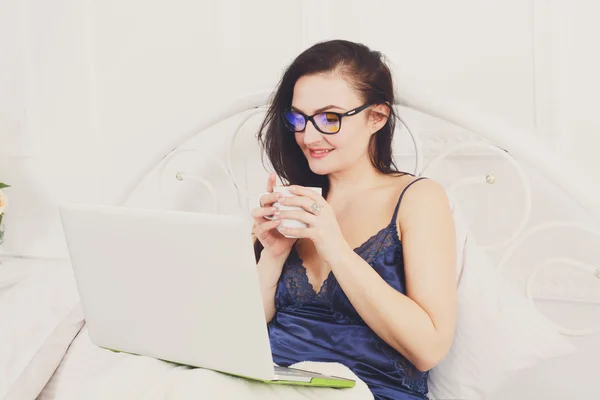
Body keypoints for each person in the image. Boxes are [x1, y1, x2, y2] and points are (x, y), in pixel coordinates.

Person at [251, 40, 457, 400]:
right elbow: (243, 332)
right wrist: (272, 255)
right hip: (269, 384)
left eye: (330, 118)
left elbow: (428, 349)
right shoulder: (298, 200)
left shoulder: (418, 199)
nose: (308, 135)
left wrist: (336, 249)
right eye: (298, 118)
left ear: (377, 116)